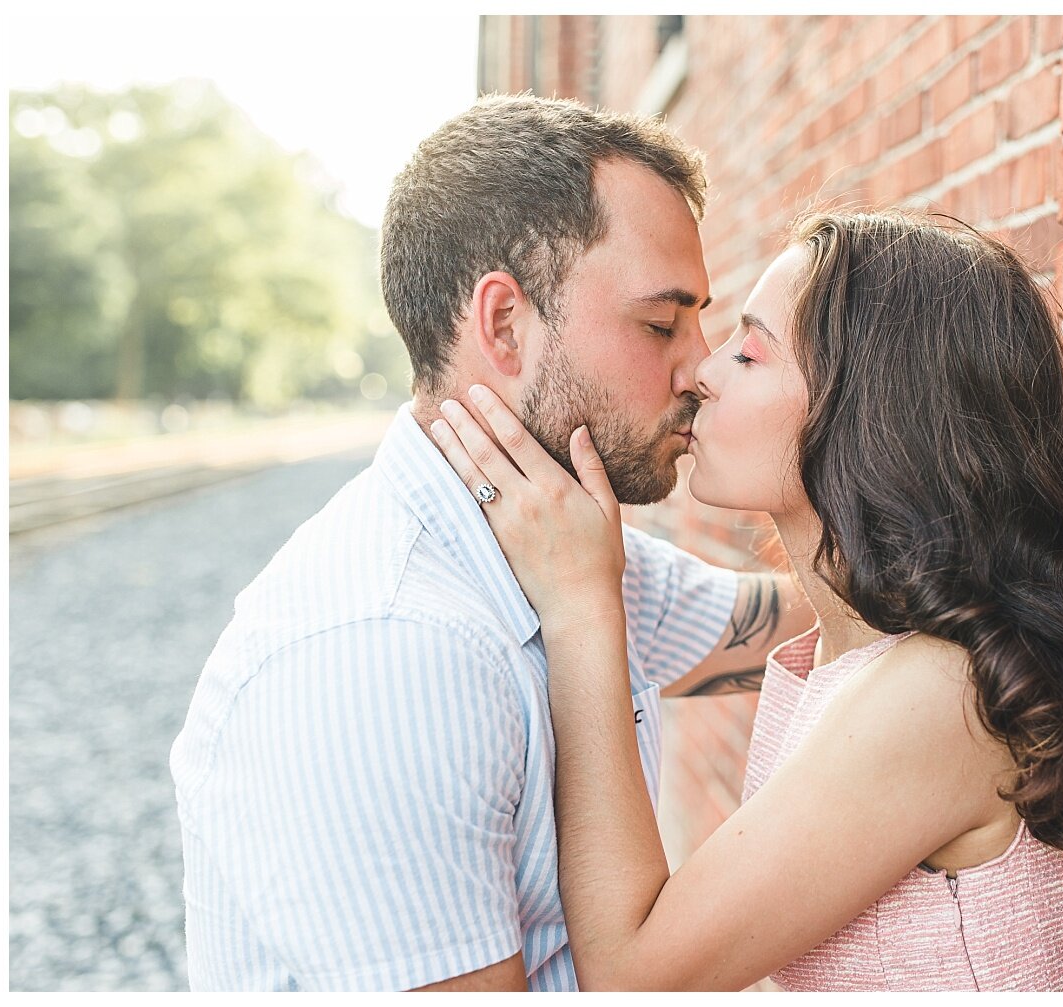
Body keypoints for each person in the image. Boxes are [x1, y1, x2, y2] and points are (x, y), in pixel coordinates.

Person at [431, 209, 1063, 991]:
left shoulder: (939, 696)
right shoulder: (855, 648)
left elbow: (634, 975)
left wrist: (580, 606)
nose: (703, 372)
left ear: (872, 409)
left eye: (750, 351)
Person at [168, 94, 813, 992]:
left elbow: (777, 625)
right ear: (505, 324)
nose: (698, 366)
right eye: (661, 323)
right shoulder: (387, 650)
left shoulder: (556, 545)